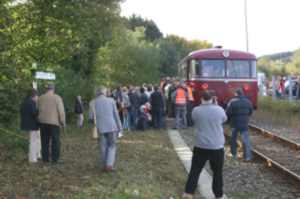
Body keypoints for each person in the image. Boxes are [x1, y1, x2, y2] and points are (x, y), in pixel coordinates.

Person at [182, 91, 227, 199]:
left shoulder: (196, 110)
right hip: (217, 147)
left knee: (195, 170)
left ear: (201, 98)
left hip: (201, 146)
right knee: (217, 172)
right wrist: (216, 105)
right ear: (212, 99)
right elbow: (224, 120)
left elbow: (193, 120)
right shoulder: (219, 110)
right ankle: (218, 195)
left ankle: (188, 193)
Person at [90, 86, 122, 172]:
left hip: (100, 128)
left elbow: (91, 117)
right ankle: (109, 165)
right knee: (112, 146)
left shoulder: (92, 102)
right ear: (104, 92)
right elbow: (116, 115)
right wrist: (120, 127)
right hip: (112, 127)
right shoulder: (111, 101)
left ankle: (105, 165)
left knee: (102, 147)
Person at [38, 84, 65, 163]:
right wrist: (63, 122)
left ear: (46, 89)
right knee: (55, 141)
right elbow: (61, 111)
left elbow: (37, 110)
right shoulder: (57, 98)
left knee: (44, 141)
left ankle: (45, 159)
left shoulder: (40, 98)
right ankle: (55, 159)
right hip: (54, 123)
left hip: (42, 122)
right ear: (53, 89)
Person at [226, 88, 253, 161]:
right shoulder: (248, 102)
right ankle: (247, 157)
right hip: (244, 123)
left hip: (234, 123)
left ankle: (233, 154)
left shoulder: (232, 102)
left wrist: (228, 120)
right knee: (246, 140)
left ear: (236, 94)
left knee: (233, 139)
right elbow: (250, 112)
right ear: (242, 94)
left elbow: (228, 113)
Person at [20, 89, 41, 163]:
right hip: (32, 125)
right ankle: (32, 158)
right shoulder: (32, 102)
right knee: (33, 141)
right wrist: (39, 110)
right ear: (34, 96)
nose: (37, 98)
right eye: (37, 96)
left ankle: (37, 155)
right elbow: (34, 113)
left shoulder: (24, 102)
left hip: (26, 124)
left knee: (34, 140)